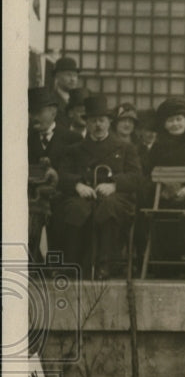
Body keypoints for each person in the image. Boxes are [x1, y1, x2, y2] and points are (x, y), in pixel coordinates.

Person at [54, 94, 144, 278]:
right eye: (94, 121)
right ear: (87, 123)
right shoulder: (75, 150)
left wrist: (115, 185)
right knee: (74, 208)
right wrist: (77, 185)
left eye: (102, 121)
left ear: (109, 122)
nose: (98, 126)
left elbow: (137, 177)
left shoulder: (125, 148)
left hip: (116, 199)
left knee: (109, 207)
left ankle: (106, 264)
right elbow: (62, 175)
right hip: (83, 196)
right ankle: (73, 264)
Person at [28, 87, 77, 262]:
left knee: (65, 213)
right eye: (30, 112)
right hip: (32, 198)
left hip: (61, 196)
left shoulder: (72, 139)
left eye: (38, 112)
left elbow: (75, 173)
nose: (33, 117)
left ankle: (58, 264)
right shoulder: (24, 137)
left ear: (53, 112)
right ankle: (32, 261)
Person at [49, 56, 80, 129]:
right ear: (57, 76)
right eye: (68, 75)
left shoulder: (80, 99)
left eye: (75, 75)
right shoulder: (50, 99)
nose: (73, 79)